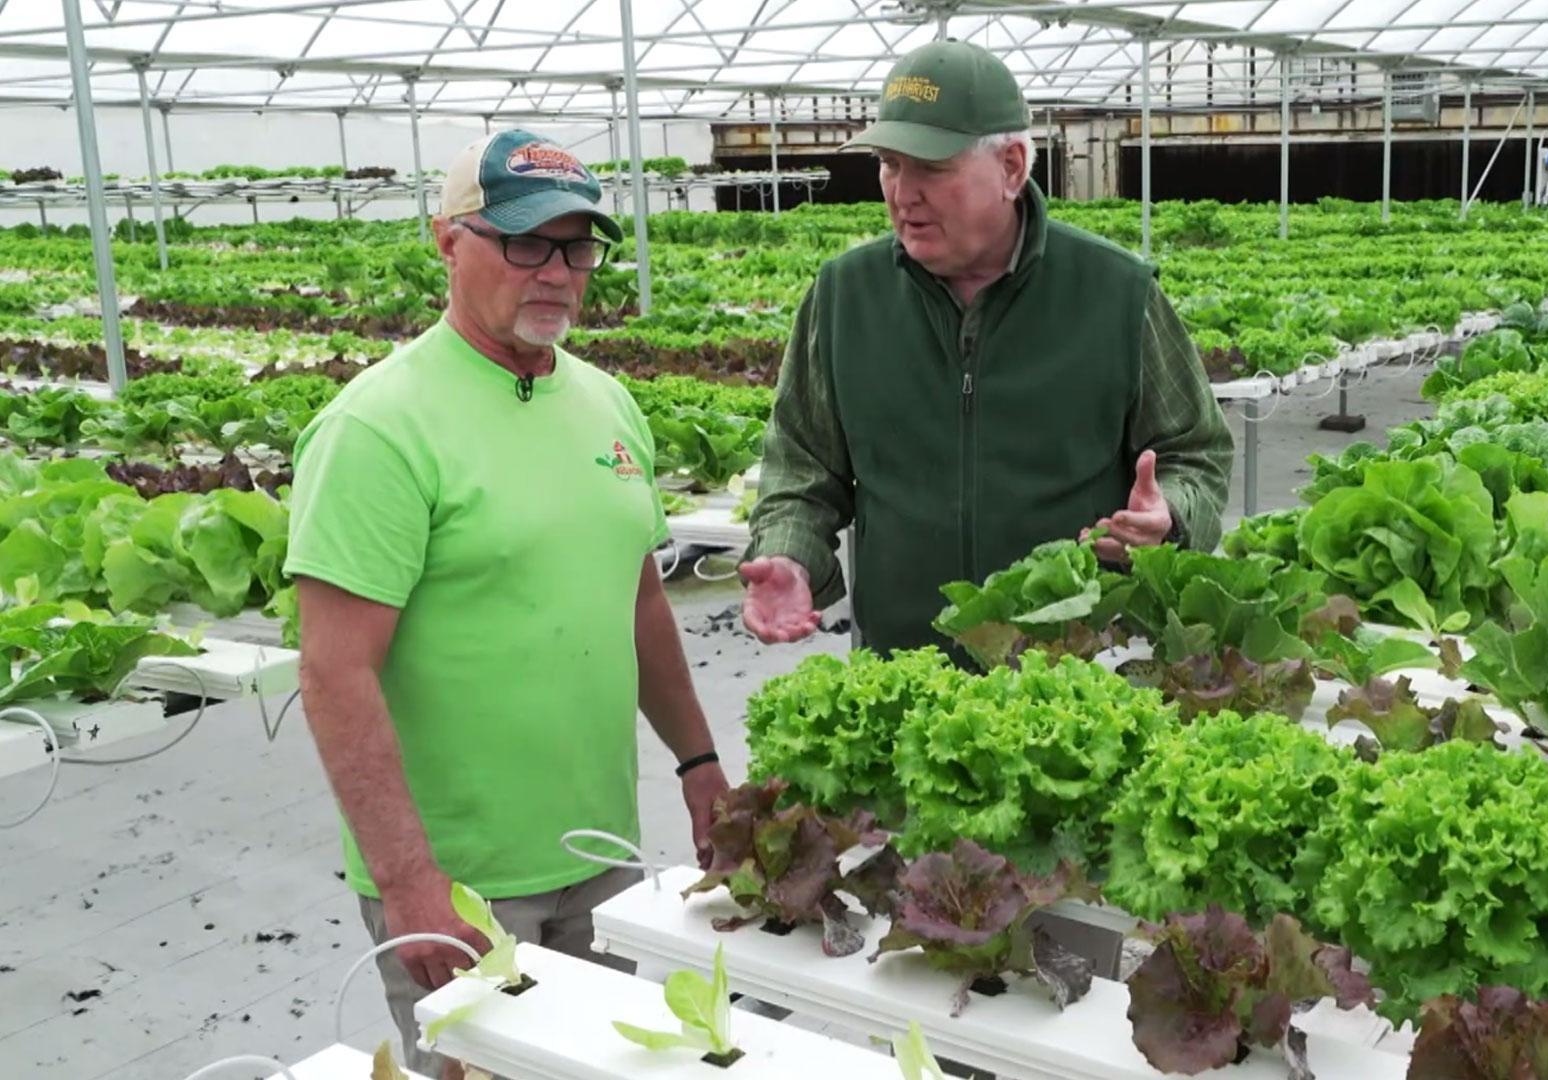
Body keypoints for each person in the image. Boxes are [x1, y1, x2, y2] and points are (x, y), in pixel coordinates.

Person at [286, 129, 730, 1079]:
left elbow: (638, 598)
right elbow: (333, 671)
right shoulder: (378, 427)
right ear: (448, 241)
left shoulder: (610, 404)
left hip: (601, 854)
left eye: (578, 246)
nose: (558, 273)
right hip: (464, 887)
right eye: (525, 242)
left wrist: (698, 763)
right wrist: (410, 885)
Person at [738, 41, 1235, 654]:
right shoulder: (845, 296)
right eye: (890, 164)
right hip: (906, 672)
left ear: (1011, 167)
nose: (902, 192)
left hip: (1080, 674)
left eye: (931, 167)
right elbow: (803, 466)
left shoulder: (1116, 294)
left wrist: (1172, 518)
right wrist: (788, 555)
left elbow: (1196, 453)